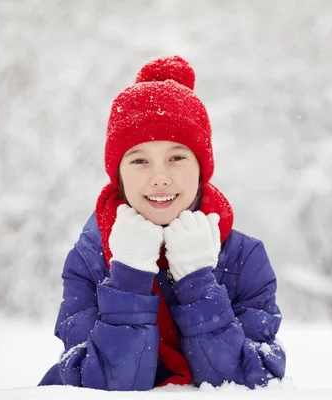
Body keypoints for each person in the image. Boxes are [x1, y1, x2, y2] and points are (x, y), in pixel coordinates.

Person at [38, 56, 286, 391]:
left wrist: (198, 281)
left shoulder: (244, 258)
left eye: (177, 158)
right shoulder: (91, 258)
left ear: (201, 167)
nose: (159, 178)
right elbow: (91, 386)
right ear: (118, 175)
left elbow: (251, 383)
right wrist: (128, 276)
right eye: (139, 160)